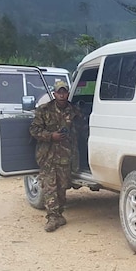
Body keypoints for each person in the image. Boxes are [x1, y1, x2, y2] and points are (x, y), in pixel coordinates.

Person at [29, 79, 84, 232]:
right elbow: (34, 130)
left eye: (64, 91)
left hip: (66, 155)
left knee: (61, 187)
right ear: (54, 94)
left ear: (67, 93)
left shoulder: (73, 110)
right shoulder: (44, 110)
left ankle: (59, 215)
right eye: (59, 92)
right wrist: (50, 136)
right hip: (47, 155)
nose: (62, 94)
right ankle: (52, 217)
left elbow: (81, 127)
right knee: (49, 186)